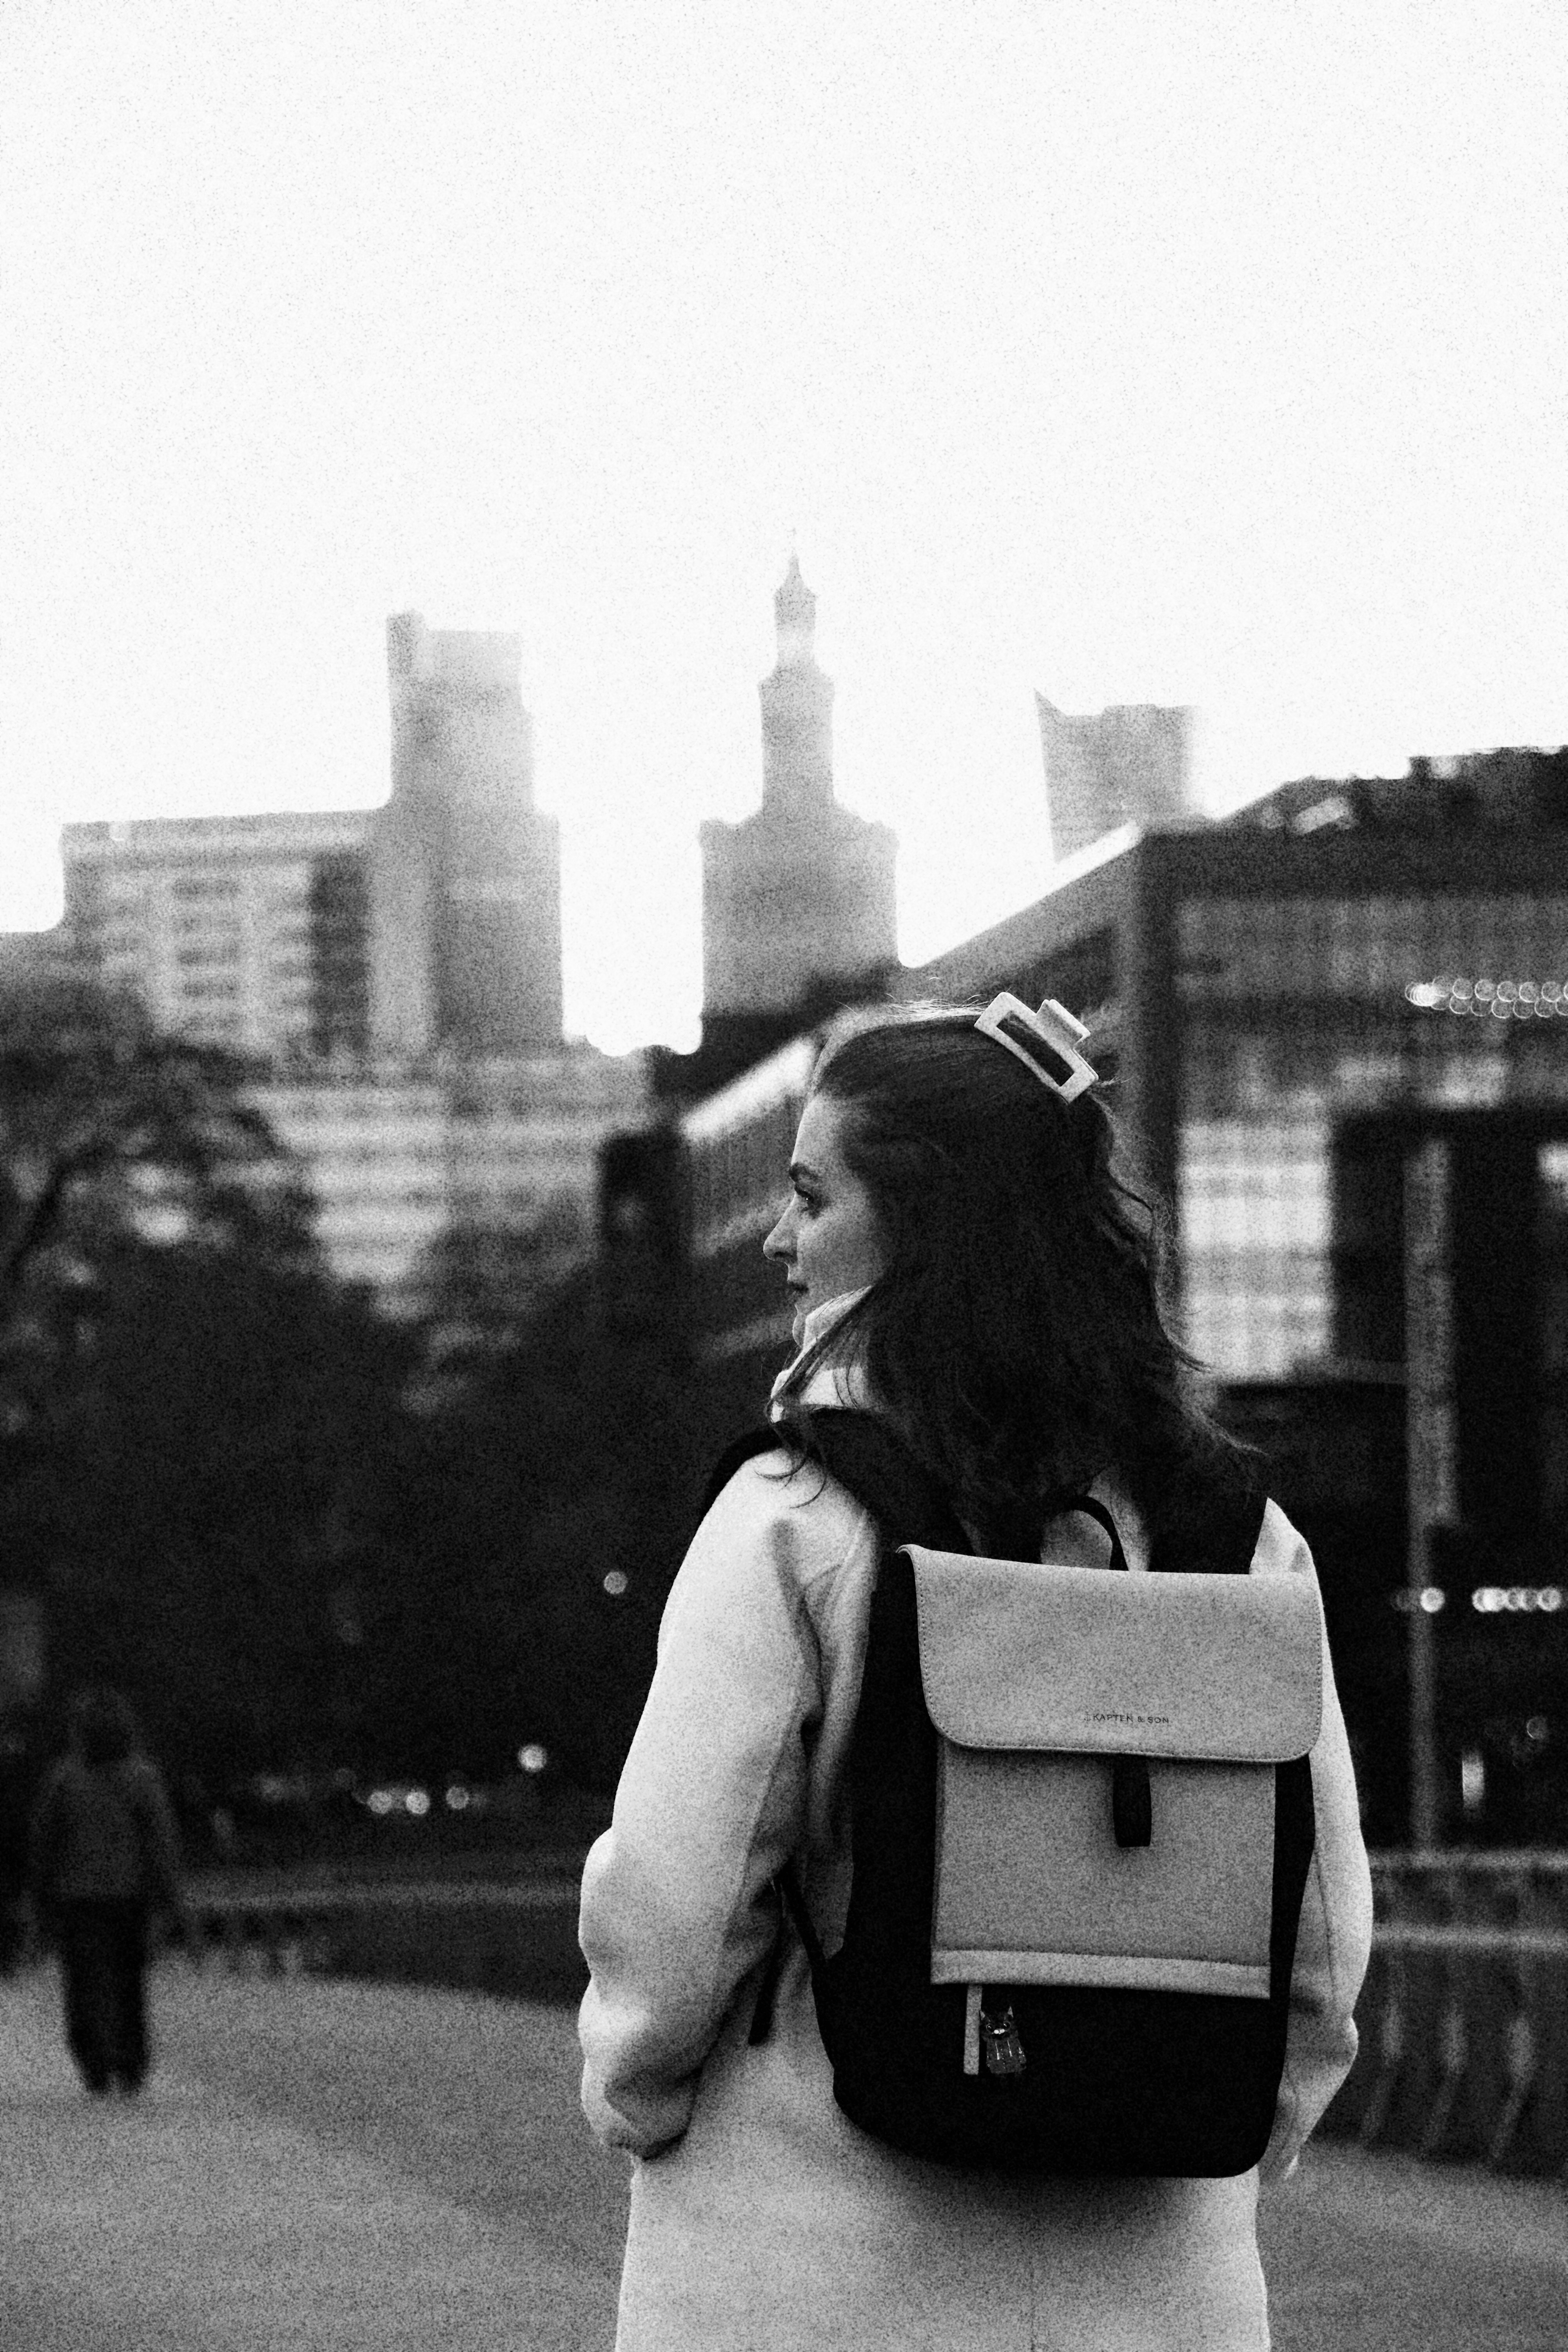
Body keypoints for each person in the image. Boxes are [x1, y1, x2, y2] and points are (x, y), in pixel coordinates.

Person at [578, 999, 1373, 2352]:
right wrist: (1229, 2130)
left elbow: (679, 1891)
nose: (779, 1241)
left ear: (924, 1227)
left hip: (809, 2266)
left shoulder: (797, 1511)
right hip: (1159, 2279)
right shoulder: (1238, 1534)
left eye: (812, 1198)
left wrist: (639, 2096)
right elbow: (1322, 1925)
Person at [28, 1686, 183, 2096]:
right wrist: (169, 1897)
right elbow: (160, 1842)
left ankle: (93, 2060)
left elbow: (44, 1842)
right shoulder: (142, 1777)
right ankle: (130, 2063)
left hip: (76, 1899)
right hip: (128, 1897)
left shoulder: (64, 1779)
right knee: (129, 1982)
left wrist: (39, 1896)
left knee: (82, 1984)